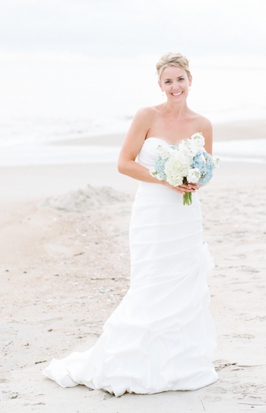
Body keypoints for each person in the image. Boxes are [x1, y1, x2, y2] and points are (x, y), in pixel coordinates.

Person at [43, 52, 217, 395]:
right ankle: (135, 360)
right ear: (160, 85)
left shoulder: (203, 124)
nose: (175, 86)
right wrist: (166, 177)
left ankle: (179, 363)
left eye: (180, 79)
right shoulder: (147, 116)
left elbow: (206, 168)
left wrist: (194, 179)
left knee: (182, 281)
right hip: (153, 211)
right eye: (168, 81)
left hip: (185, 214)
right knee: (151, 280)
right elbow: (124, 163)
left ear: (190, 80)